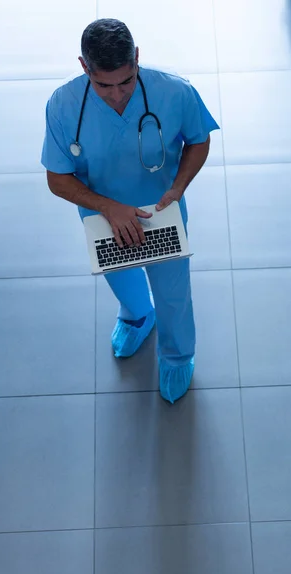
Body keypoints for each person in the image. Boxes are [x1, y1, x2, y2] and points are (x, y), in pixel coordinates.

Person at [41, 18, 219, 403]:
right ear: (84, 66)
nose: (118, 95)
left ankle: (176, 356)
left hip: (160, 207)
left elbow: (199, 140)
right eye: (104, 85)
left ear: (137, 58)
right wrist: (107, 207)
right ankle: (138, 316)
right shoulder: (63, 105)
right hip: (101, 213)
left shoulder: (174, 92)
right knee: (120, 275)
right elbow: (58, 178)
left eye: (126, 81)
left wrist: (178, 187)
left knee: (173, 291)